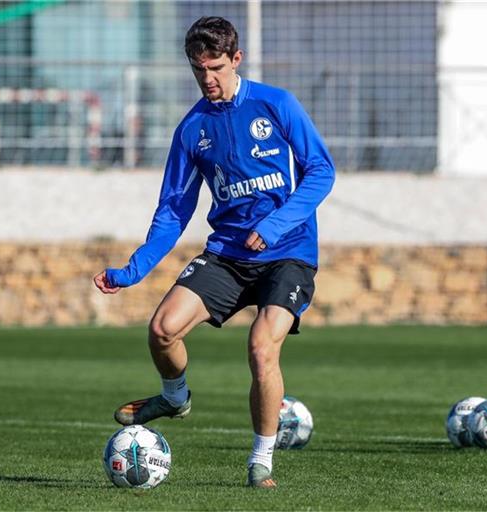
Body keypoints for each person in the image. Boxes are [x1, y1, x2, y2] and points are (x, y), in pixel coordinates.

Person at [93, 16, 335, 488]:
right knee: (162, 330)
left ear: (237, 59)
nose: (208, 79)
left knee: (262, 348)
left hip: (288, 252)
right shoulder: (192, 130)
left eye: (217, 67)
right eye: (199, 69)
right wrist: (133, 270)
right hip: (227, 253)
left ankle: (261, 460)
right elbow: (174, 209)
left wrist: (275, 224)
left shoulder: (276, 104)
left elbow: (321, 171)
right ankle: (174, 396)